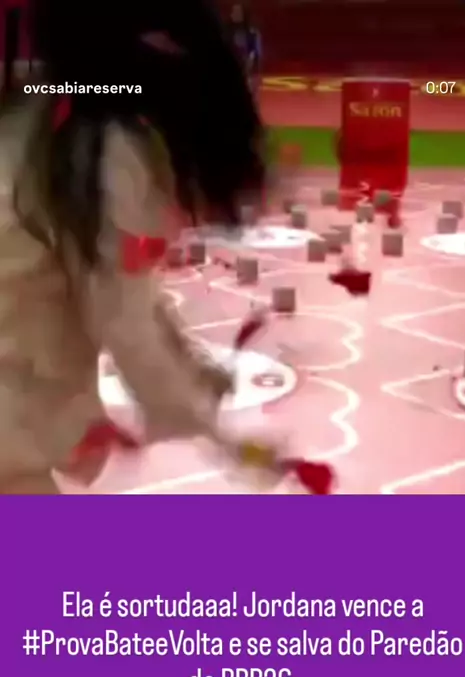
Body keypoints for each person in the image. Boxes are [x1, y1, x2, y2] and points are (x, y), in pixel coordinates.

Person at [0, 0, 271, 494]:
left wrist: (193, 373)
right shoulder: (109, 148)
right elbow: (125, 320)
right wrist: (211, 426)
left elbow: (130, 294)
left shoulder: (41, 113)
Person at [227, 3, 262, 90]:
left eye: (238, 12)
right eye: (234, 12)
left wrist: (250, 59)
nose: (235, 14)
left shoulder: (251, 31)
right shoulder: (227, 30)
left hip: (246, 64)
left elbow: (255, 51)